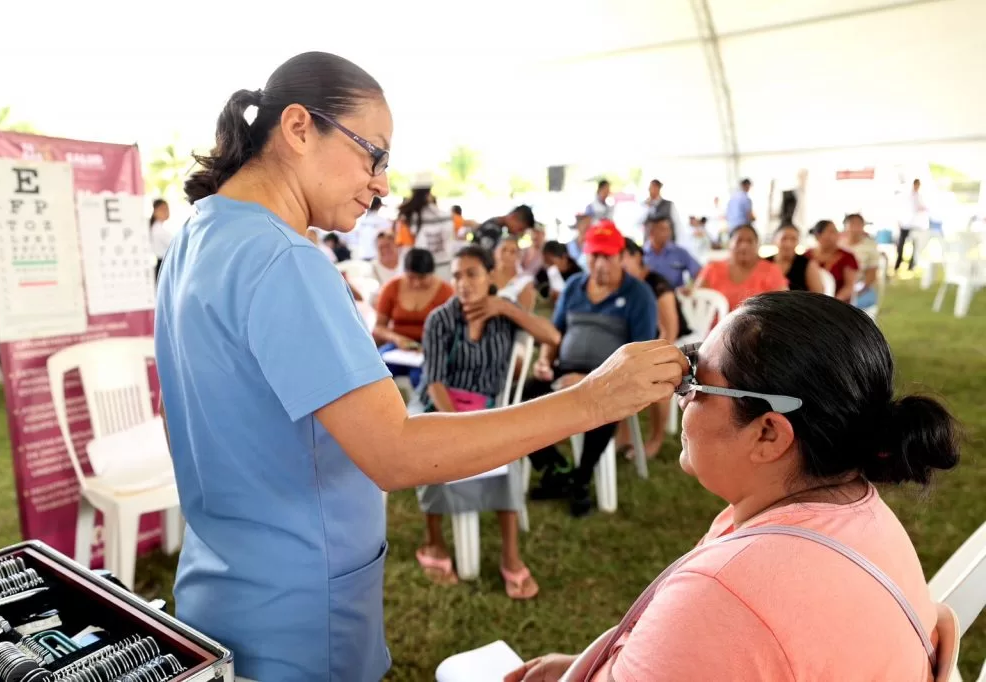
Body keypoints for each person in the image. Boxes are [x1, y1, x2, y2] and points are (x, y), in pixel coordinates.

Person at [155, 52, 688, 681]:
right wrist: (593, 400)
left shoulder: (199, 232)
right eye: (372, 154)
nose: (383, 183)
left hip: (221, 585)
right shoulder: (285, 261)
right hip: (299, 609)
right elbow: (396, 452)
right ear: (299, 129)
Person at [507, 291, 960, 682]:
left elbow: (732, 627)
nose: (680, 397)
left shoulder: (727, 594)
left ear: (768, 434)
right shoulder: (858, 512)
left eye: (695, 382)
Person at [414, 245, 562, 598]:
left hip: (488, 408)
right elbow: (434, 382)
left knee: (506, 450)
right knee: (433, 449)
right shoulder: (440, 320)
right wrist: (459, 425)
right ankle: (433, 543)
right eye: (457, 275)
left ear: (489, 276)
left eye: (472, 274)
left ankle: (510, 556)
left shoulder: (503, 316)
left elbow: (552, 337)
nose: (463, 283)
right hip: (443, 405)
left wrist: (507, 308)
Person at [523, 221, 658, 517]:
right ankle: (556, 467)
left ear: (621, 256)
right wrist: (545, 359)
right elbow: (555, 335)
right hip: (566, 369)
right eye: (594, 255)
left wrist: (591, 380)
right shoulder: (574, 286)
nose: (599, 264)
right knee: (527, 394)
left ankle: (581, 479)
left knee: (606, 401)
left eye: (607, 256)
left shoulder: (639, 294)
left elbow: (640, 355)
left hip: (612, 377)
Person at [619, 238, 690, 456]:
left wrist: (652, 356)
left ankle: (656, 438)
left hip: (677, 340)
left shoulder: (657, 284)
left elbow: (670, 330)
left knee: (657, 374)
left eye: (621, 257)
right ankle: (624, 435)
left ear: (637, 256)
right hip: (641, 341)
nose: (616, 263)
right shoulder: (624, 284)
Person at [373, 248, 452, 386]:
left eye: (421, 278)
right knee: (376, 371)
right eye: (411, 277)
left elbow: (452, 330)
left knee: (421, 377)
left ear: (432, 273)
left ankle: (418, 407)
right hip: (397, 346)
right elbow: (379, 328)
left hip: (430, 347)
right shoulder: (391, 287)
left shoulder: (446, 292)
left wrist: (430, 346)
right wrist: (397, 339)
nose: (416, 283)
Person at [695, 224, 787, 311]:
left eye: (750, 241)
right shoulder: (712, 268)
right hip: (715, 326)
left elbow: (783, 305)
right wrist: (687, 295)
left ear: (758, 245)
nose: (744, 246)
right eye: (739, 241)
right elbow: (696, 300)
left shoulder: (771, 270)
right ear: (729, 244)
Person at [397, 182, 454, 278]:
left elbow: (406, 248)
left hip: (418, 272)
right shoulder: (446, 216)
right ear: (430, 191)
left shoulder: (407, 217)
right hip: (445, 268)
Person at [806, 220, 858, 302]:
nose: (837, 234)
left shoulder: (847, 257)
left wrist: (833, 302)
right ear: (818, 236)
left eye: (836, 231)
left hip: (838, 305)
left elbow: (849, 287)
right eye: (831, 231)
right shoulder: (807, 256)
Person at [643, 217, 701, 289]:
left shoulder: (679, 252)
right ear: (651, 232)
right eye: (663, 229)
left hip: (676, 296)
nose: (668, 233)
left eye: (668, 229)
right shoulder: (641, 254)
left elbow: (699, 273)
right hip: (650, 296)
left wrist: (692, 287)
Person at [765, 223, 821, 292]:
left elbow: (818, 294)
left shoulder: (807, 264)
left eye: (793, 239)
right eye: (784, 238)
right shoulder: (764, 263)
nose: (788, 244)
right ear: (774, 240)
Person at [841, 213, 880, 310]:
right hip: (839, 285)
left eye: (859, 225)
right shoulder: (838, 244)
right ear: (846, 226)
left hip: (859, 287)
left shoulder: (870, 246)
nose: (855, 228)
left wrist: (856, 290)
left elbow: (871, 274)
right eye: (852, 224)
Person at [491, 235, 536, 310]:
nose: (507, 255)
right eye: (503, 250)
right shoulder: (485, 275)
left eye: (512, 252)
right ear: (495, 252)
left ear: (519, 256)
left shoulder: (525, 282)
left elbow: (525, 315)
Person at [896, 178, 928, 273]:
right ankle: (898, 263)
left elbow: (922, 208)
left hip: (914, 224)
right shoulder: (907, 196)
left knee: (914, 244)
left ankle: (911, 265)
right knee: (901, 244)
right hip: (905, 223)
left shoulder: (919, 196)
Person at [353, 196, 393, 261]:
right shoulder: (383, 222)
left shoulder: (360, 221)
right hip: (376, 256)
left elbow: (356, 236)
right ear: (379, 206)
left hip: (363, 255)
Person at [149, 198, 173, 282]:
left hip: (162, 266)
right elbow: (176, 246)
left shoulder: (156, 228)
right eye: (163, 209)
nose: (167, 212)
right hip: (163, 266)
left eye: (167, 209)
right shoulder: (158, 230)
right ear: (155, 211)